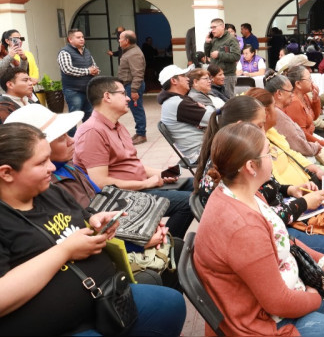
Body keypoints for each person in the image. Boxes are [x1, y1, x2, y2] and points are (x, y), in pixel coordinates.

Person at [0, 122, 187, 336]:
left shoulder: (50, 192)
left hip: (109, 296)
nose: (52, 167)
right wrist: (65, 251)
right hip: (62, 325)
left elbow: (83, 222)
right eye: (41, 162)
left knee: (170, 305)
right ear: (6, 173)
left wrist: (99, 223)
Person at [193, 123, 324, 336]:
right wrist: (312, 295)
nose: (273, 158)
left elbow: (281, 238)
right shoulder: (243, 226)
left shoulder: (241, 192)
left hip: (271, 299)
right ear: (251, 166)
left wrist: (322, 261)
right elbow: (278, 303)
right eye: (269, 153)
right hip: (260, 323)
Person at [7, 104, 180, 287]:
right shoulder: (45, 188)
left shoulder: (70, 167)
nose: (71, 140)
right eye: (61, 137)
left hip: (113, 232)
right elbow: (75, 236)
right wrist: (137, 243)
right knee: (161, 268)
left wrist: (147, 222)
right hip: (103, 253)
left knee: (174, 244)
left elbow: (101, 205)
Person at [194, 95, 324, 256]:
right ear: (241, 126)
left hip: (276, 222)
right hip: (268, 234)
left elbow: (268, 190)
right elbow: (261, 220)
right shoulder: (235, 167)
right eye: (260, 125)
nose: (265, 131)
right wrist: (303, 204)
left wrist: (290, 189)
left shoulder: (238, 155)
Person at [72, 76, 194, 238]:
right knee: (189, 202)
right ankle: (164, 245)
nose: (128, 97)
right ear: (107, 96)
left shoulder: (117, 125)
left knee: (197, 185)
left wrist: (161, 173)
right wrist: (145, 183)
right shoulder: (93, 131)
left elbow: (130, 164)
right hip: (121, 197)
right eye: (123, 93)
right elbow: (100, 183)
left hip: (139, 186)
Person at [157, 65, 215, 165]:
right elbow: (213, 118)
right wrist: (208, 107)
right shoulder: (178, 103)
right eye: (183, 76)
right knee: (244, 146)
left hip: (201, 148)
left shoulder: (174, 101)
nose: (188, 78)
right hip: (201, 152)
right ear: (174, 81)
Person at [58, 29, 100, 130]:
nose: (82, 39)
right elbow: (67, 69)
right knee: (74, 116)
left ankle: (88, 138)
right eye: (78, 37)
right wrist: (88, 71)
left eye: (82, 37)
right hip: (73, 90)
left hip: (88, 89)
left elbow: (93, 65)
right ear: (70, 40)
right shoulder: (64, 52)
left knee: (89, 115)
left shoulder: (86, 51)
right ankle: (72, 141)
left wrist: (96, 70)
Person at [116, 30, 148, 145]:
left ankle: (141, 134)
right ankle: (139, 132)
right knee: (136, 109)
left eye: (120, 38)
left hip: (133, 85)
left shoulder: (134, 53)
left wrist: (134, 90)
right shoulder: (129, 51)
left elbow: (138, 73)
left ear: (126, 41)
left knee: (137, 109)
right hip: (130, 85)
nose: (118, 40)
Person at [205, 18, 241, 97]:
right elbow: (208, 54)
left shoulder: (231, 40)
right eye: (211, 28)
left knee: (228, 100)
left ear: (222, 26)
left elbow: (236, 56)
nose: (212, 30)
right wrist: (207, 43)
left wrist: (219, 55)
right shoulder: (214, 40)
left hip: (227, 75)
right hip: (214, 76)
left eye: (214, 27)